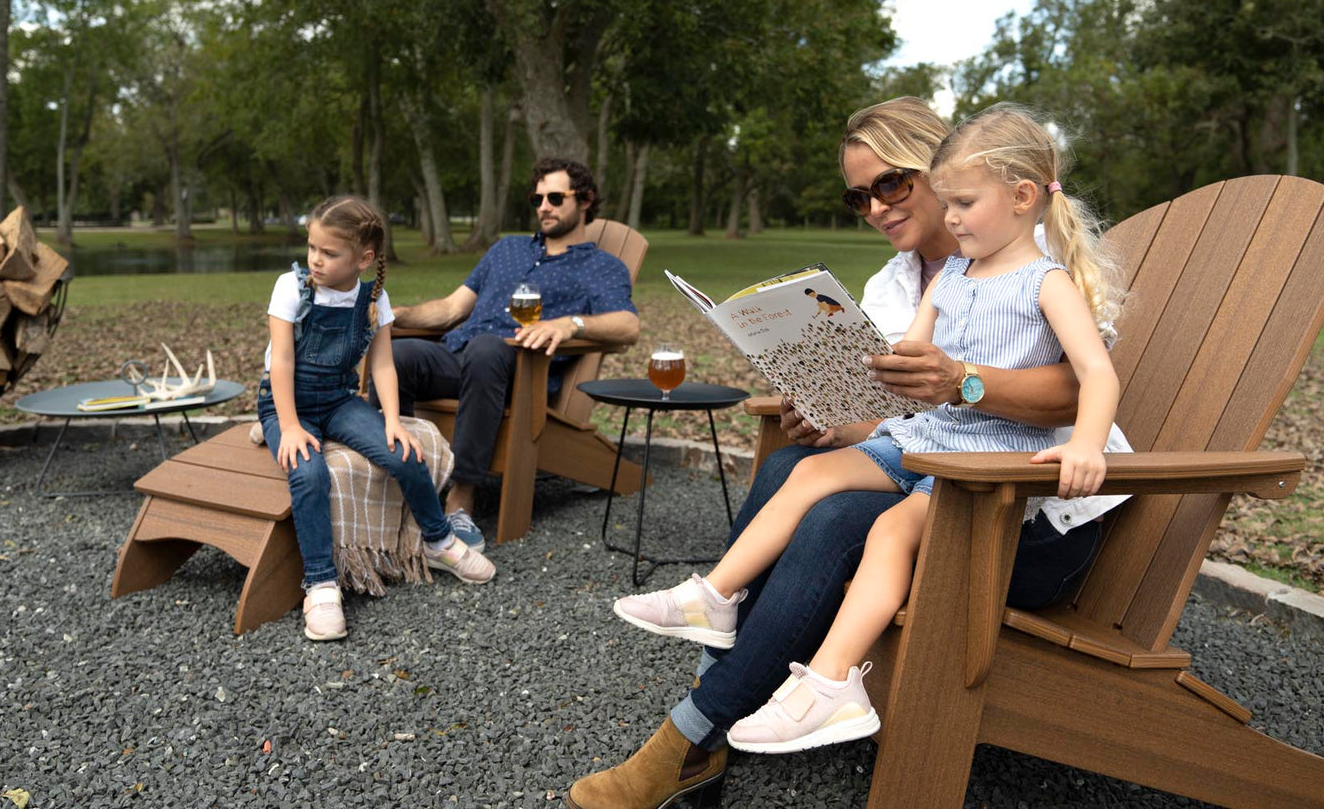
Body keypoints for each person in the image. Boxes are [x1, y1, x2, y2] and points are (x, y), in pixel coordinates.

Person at [563, 97, 1131, 808]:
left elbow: (1074, 393)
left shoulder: (1041, 265)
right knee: (790, 467)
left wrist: (963, 380)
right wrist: (835, 419)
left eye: (892, 184)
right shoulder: (897, 287)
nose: (877, 207)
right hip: (936, 465)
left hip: (1033, 510)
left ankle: (696, 731)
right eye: (859, 196)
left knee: (834, 521)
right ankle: (721, 659)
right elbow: (905, 415)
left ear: (941, 167)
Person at [258, 196, 495, 642]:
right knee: (308, 473)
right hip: (285, 401)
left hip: (337, 399)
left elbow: (383, 365)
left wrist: (391, 420)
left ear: (363, 259)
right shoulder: (291, 288)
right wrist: (288, 426)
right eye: (312, 247)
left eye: (329, 253)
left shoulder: (373, 298)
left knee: (404, 453)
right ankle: (321, 583)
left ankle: (438, 540)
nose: (315, 259)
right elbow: (282, 362)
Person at [380, 158, 640, 551]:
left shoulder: (601, 266)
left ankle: (460, 502)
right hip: (460, 358)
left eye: (555, 197)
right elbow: (452, 309)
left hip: (520, 375)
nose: (543, 207)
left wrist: (571, 324)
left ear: (585, 200)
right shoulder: (507, 249)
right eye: (537, 198)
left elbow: (627, 325)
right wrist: (396, 315)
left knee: (487, 349)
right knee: (397, 356)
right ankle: (387, 486)